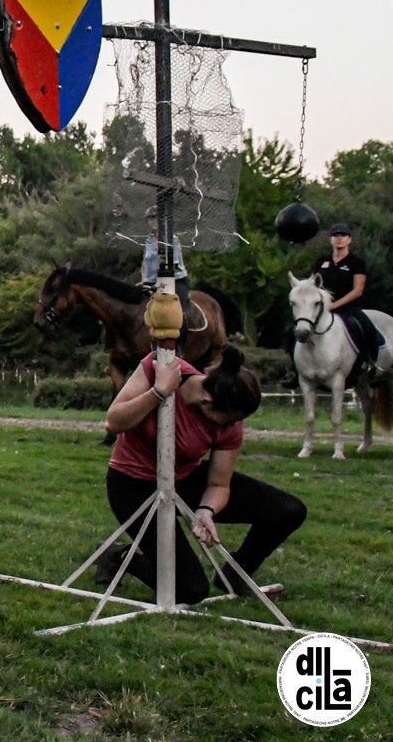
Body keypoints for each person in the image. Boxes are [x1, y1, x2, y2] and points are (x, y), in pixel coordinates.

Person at [97, 345, 306, 604]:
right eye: (227, 420)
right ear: (208, 401)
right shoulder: (161, 367)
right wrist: (159, 392)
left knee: (288, 510)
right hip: (133, 485)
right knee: (190, 590)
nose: (231, 427)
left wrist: (207, 510)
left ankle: (235, 574)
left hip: (184, 479)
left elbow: (219, 483)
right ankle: (116, 556)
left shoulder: (230, 423)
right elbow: (113, 422)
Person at [313, 222, 378, 379]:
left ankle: (371, 363)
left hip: (347, 308)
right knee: (294, 329)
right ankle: (294, 370)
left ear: (349, 239)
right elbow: (313, 284)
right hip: (322, 309)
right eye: (336, 235)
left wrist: (335, 305)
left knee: (366, 327)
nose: (339, 239)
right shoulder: (322, 261)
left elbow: (358, 290)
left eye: (343, 235)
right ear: (331, 240)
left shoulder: (356, 263)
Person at [141, 207, 191, 325]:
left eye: (156, 218)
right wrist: (143, 281)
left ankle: (181, 339)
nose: (153, 221)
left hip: (175, 280)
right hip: (151, 283)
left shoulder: (173, 239)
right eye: (150, 218)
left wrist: (157, 286)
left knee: (176, 313)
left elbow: (172, 266)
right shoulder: (147, 241)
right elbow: (144, 264)